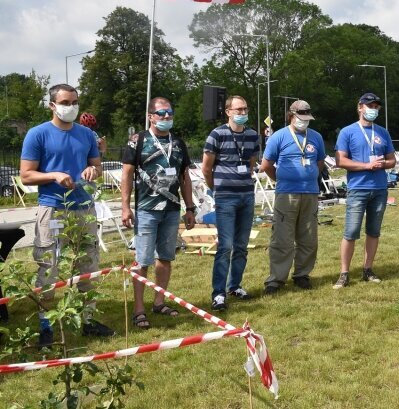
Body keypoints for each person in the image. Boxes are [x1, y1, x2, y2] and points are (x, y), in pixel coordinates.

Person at [20, 83, 115, 348]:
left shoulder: (85, 134)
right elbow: (26, 174)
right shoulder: (37, 134)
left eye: (74, 102)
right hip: (53, 207)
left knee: (89, 264)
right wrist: (53, 175)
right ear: (52, 105)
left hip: (83, 207)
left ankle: (88, 320)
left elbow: (96, 166)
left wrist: (91, 171)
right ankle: (46, 325)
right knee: (48, 266)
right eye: (65, 102)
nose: (71, 107)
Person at [120, 97, 196, 329]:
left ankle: (159, 301)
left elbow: (185, 177)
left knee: (165, 257)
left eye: (169, 113)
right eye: (161, 113)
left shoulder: (178, 143)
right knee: (142, 260)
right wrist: (125, 206)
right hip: (146, 210)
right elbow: (126, 174)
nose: (166, 117)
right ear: (150, 116)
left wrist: (190, 208)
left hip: (171, 210)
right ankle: (139, 309)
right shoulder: (138, 141)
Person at [260, 100, 326, 293]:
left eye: (307, 118)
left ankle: (302, 274)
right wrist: (281, 179)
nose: (304, 122)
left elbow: (320, 162)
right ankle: (276, 279)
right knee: (282, 237)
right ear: (291, 116)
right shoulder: (278, 137)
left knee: (308, 236)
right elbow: (266, 165)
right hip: (286, 193)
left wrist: (310, 176)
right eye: (301, 118)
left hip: (310, 193)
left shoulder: (316, 137)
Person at [202, 95, 261, 311]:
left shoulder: (253, 135)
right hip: (225, 197)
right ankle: (218, 293)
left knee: (241, 246)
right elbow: (206, 168)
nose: (243, 113)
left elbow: (251, 163)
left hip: (247, 196)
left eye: (245, 109)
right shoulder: (217, 134)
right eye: (238, 109)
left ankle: (234, 286)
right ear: (228, 112)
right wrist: (215, 188)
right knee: (225, 246)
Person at [333, 92, 396, 289]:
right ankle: (344, 273)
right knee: (351, 232)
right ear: (360, 107)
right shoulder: (347, 132)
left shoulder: (383, 132)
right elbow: (340, 160)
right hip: (358, 188)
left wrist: (382, 163)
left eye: (377, 107)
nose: (373, 110)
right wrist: (366, 166)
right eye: (370, 106)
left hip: (379, 189)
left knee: (373, 232)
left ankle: (368, 269)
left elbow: (393, 160)